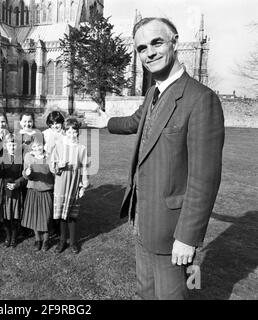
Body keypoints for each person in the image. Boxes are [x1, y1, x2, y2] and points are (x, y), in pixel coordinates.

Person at [85, 17, 225, 299]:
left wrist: (187, 237)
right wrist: (107, 122)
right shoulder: (153, 92)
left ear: (174, 41)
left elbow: (204, 180)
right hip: (142, 220)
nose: (149, 52)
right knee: (145, 292)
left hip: (173, 232)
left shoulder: (201, 99)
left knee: (171, 295)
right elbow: (137, 121)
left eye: (156, 42)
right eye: (141, 48)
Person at [50, 118, 89, 254]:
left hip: (74, 184)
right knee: (61, 214)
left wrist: (83, 186)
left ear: (78, 132)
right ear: (65, 131)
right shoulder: (59, 146)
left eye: (74, 131)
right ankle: (62, 241)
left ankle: (72, 242)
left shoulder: (81, 148)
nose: (71, 133)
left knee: (72, 215)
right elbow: (52, 166)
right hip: (61, 183)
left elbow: (84, 168)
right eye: (69, 130)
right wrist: (58, 166)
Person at [21, 138, 54, 252]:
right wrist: (27, 173)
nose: (37, 149)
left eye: (39, 146)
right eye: (34, 147)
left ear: (43, 145)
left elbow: (54, 173)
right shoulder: (28, 157)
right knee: (34, 216)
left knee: (46, 217)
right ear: (31, 148)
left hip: (46, 190)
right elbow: (25, 175)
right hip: (33, 190)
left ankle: (46, 240)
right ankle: (37, 239)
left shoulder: (49, 156)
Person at [0, 133, 25, 248]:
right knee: (6, 216)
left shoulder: (21, 160)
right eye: (9, 145)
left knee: (15, 216)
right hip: (5, 192)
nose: (12, 147)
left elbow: (24, 176)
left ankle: (14, 237)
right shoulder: (2, 159)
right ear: (5, 146)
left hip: (16, 191)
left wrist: (17, 183)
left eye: (14, 145)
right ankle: (7, 236)